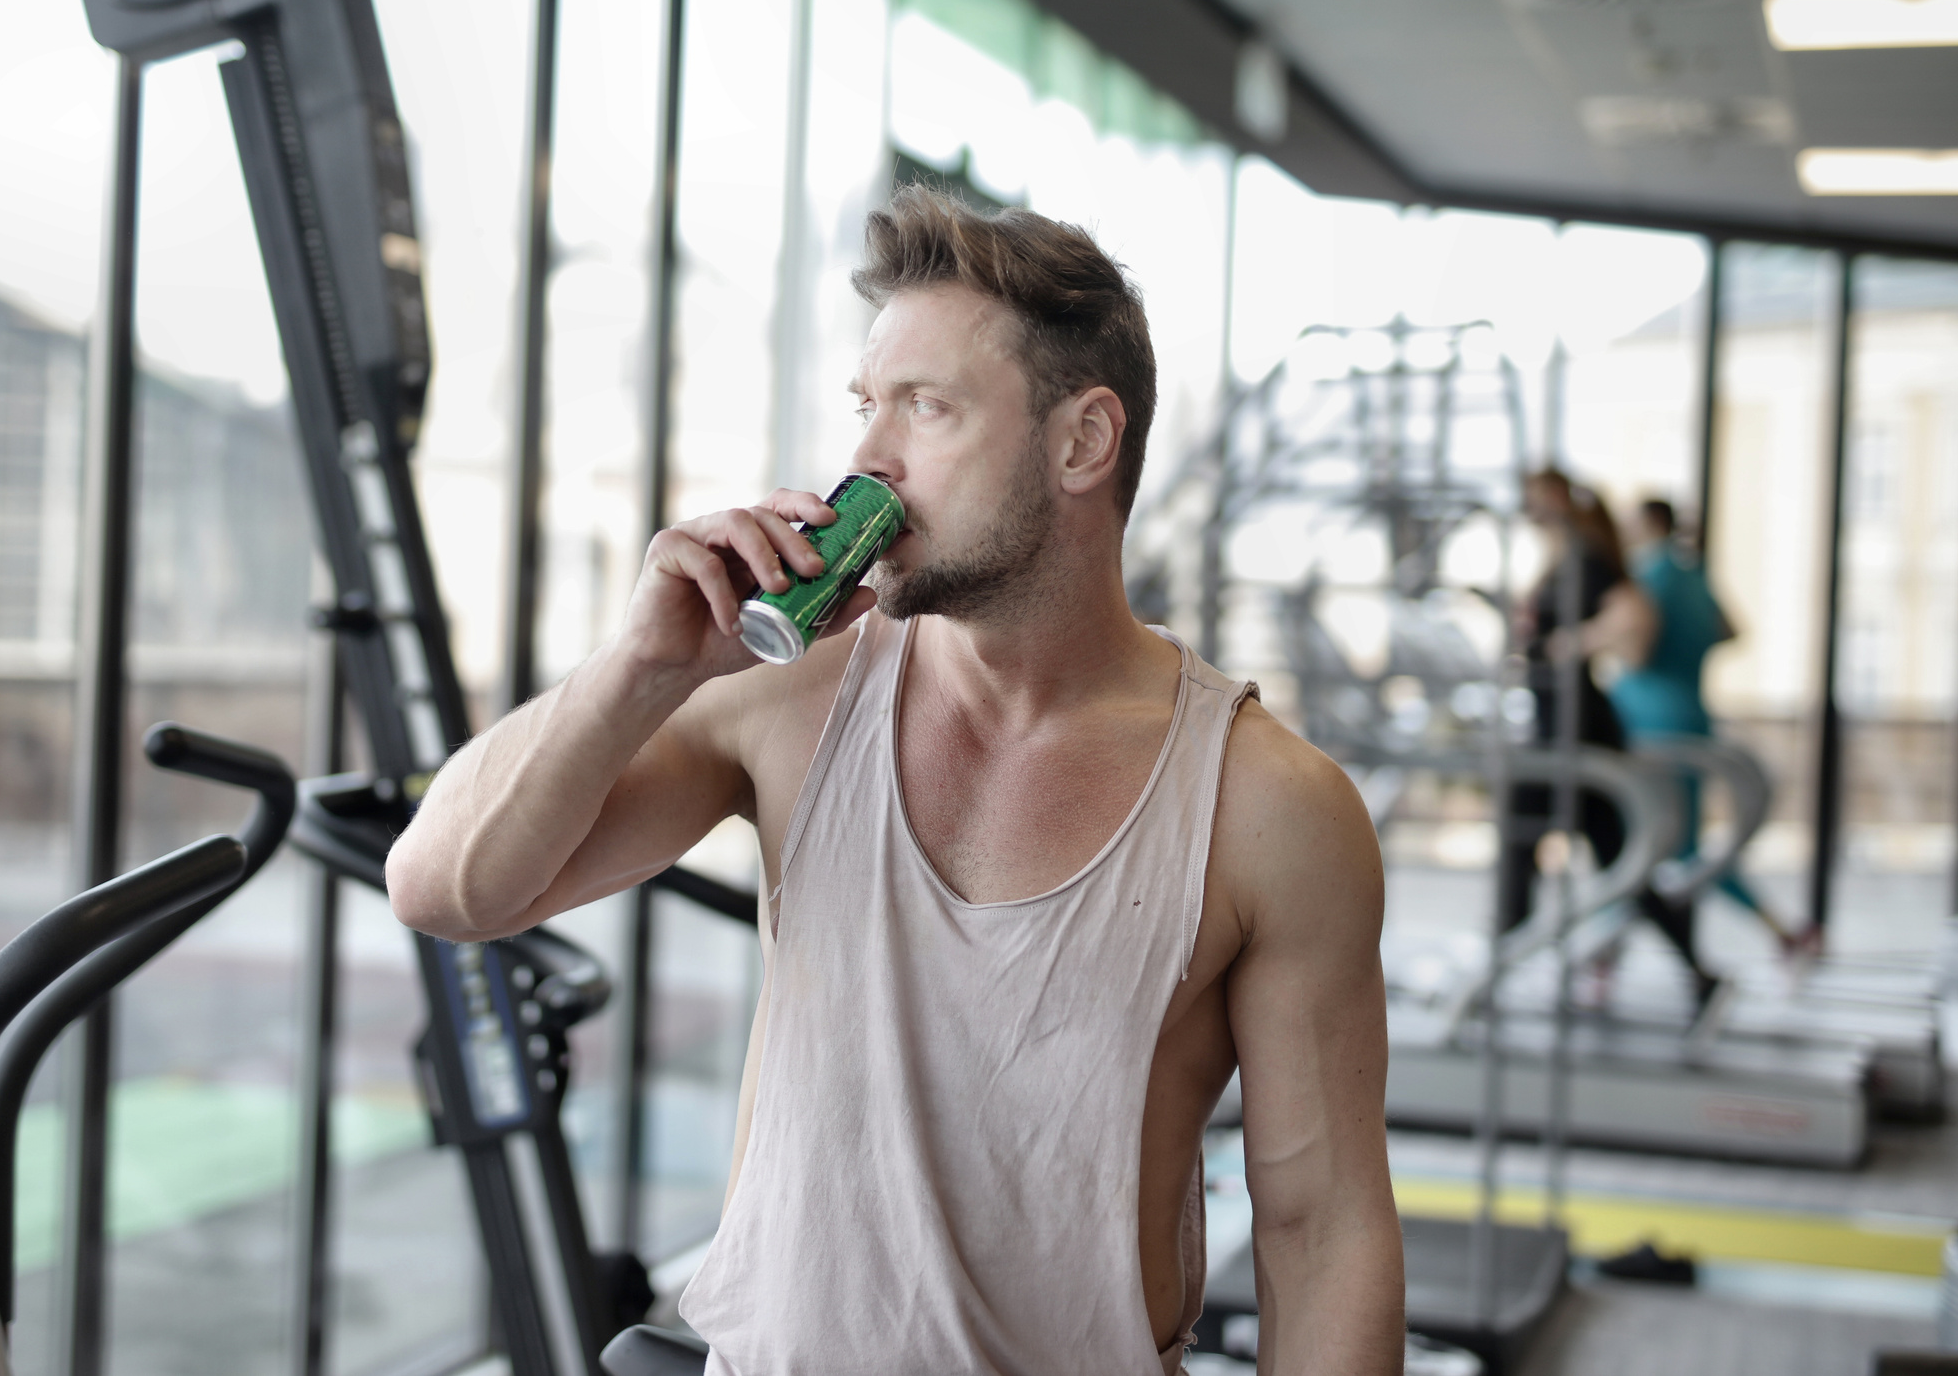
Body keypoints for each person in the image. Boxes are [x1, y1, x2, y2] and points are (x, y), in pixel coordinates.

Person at [388, 187, 1404, 1375]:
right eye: (868, 405)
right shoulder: (786, 696)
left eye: (926, 407)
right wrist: (641, 665)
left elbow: (1319, 1227)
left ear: (1082, 441)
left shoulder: (1268, 804)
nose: (867, 457)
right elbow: (445, 888)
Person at [1501, 470, 1721, 1002]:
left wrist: (1572, 645)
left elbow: (1635, 617)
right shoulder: (1565, 557)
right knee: (1620, 860)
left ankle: (1502, 952)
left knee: (1521, 822)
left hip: (1573, 730)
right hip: (1565, 725)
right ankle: (1700, 974)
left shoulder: (1587, 559)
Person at [1611, 500, 1816, 955]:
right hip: (1690, 711)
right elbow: (1730, 630)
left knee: (1648, 840)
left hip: (1650, 718)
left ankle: (1604, 947)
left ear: (1650, 525)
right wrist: (1689, 648)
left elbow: (1637, 648)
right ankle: (1780, 931)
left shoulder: (1647, 577)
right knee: (1679, 843)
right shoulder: (1692, 575)